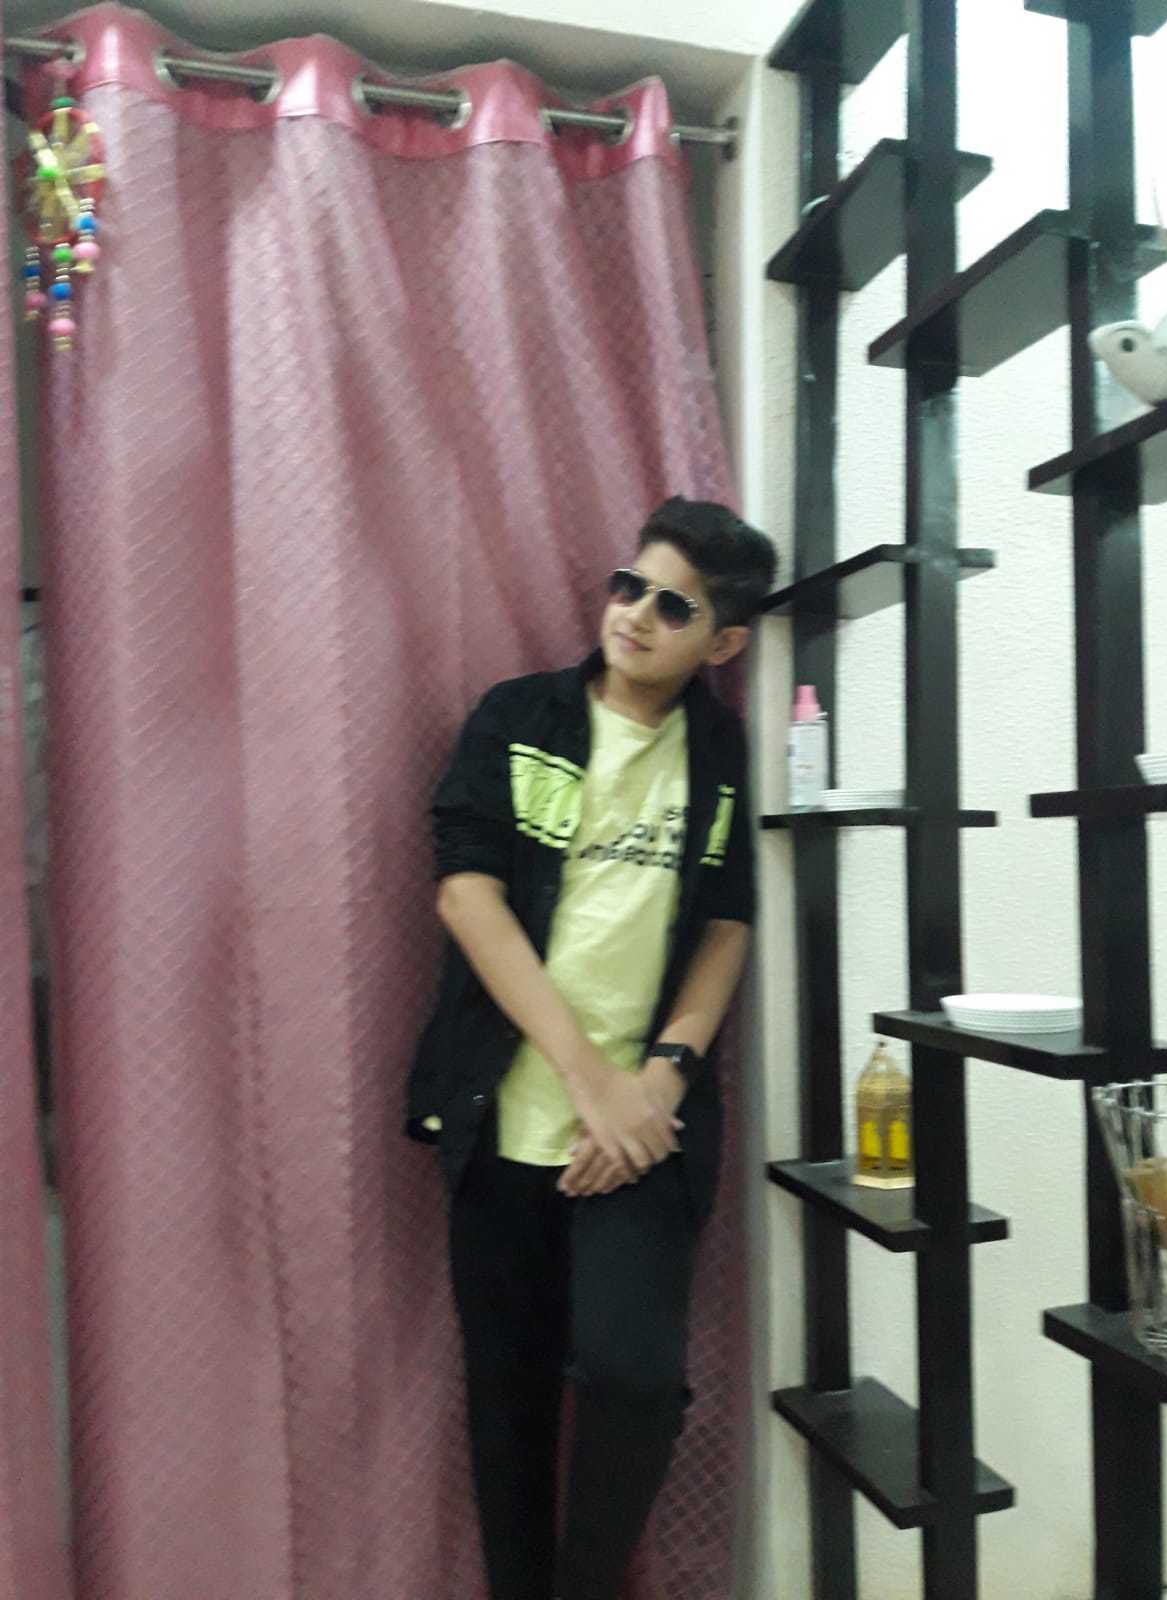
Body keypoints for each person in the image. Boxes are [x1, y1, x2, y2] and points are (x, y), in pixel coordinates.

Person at [406, 496, 778, 1600]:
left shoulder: (719, 748)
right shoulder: (518, 716)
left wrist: (657, 1083)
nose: (636, 616)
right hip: (502, 1119)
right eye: (631, 587)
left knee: (634, 1377)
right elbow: (467, 895)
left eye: (674, 606)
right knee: (508, 1408)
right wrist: (590, 1083)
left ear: (723, 644)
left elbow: (726, 921)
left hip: (645, 1131)